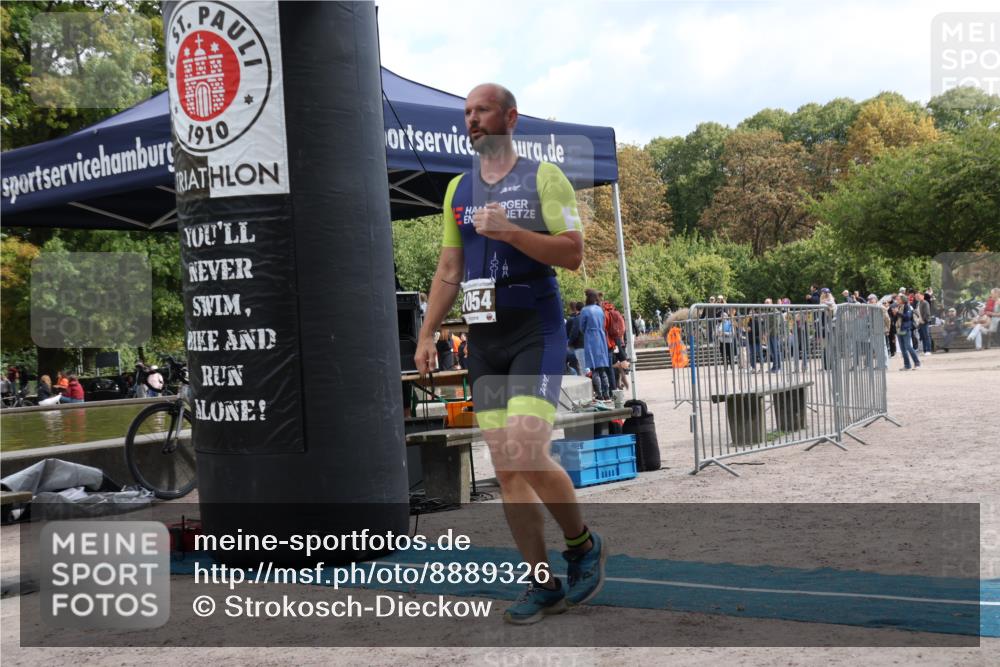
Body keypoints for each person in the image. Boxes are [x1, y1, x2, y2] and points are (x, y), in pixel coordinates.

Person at [413, 83, 604, 625]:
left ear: (510, 117)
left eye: (482, 111)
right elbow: (450, 269)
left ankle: (582, 545)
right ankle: (541, 582)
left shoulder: (545, 176)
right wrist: (427, 334)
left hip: (534, 332)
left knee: (524, 449)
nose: (472, 120)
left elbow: (572, 254)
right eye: (467, 112)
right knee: (506, 467)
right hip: (485, 340)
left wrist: (511, 231)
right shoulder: (458, 189)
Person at [581, 290, 613, 401]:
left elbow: (582, 326)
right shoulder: (600, 310)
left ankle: (599, 394)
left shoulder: (585, 310)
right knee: (602, 369)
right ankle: (607, 393)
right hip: (601, 337)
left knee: (594, 369)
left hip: (591, 339)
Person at [894, 294, 921, 370]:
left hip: (906, 329)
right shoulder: (898, 307)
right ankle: (907, 365)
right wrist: (895, 314)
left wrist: (898, 313)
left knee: (908, 346)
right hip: (899, 329)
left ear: (902, 300)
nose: (897, 301)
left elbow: (907, 317)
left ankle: (917, 363)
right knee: (902, 349)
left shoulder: (907, 306)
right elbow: (896, 319)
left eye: (898, 299)